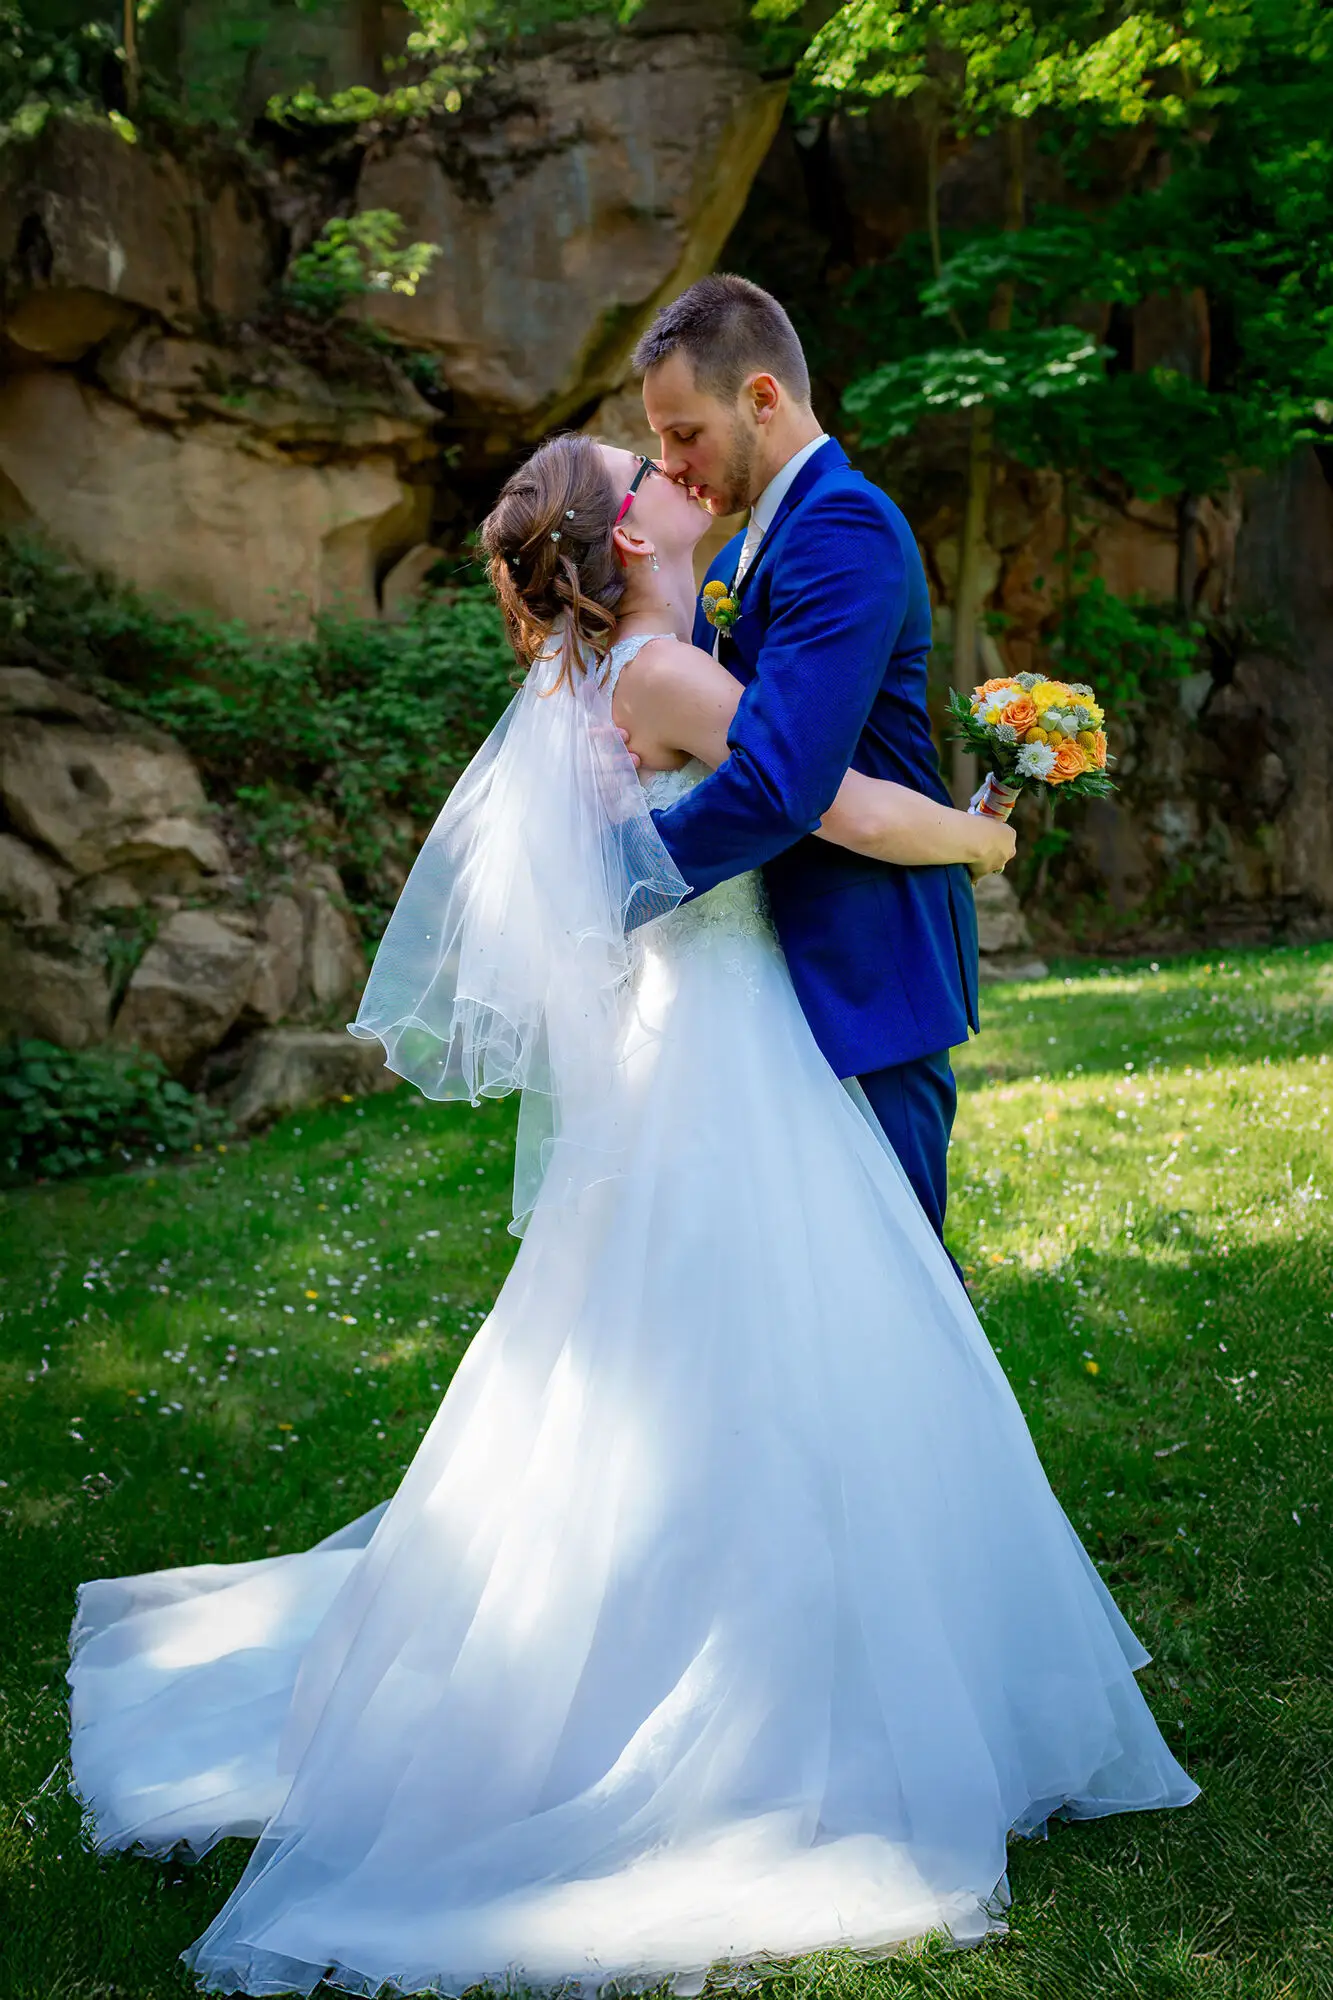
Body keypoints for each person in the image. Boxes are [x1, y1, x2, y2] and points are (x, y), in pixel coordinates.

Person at [65, 431, 1197, 2000]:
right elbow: (842, 809)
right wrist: (984, 834)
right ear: (625, 536)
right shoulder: (659, 677)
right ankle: (769, 1711)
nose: (676, 475)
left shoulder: (592, 683)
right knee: (781, 1351)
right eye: (643, 471)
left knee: (676, 1358)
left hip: (689, 1045)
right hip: (725, 1059)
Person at [635, 274, 979, 1251]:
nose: (670, 464)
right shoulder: (732, 559)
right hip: (765, 967)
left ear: (761, 397)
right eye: (658, 438)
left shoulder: (842, 526)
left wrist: (622, 869)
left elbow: (785, 777)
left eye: (683, 432)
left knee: (898, 1279)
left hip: (863, 960)